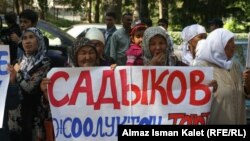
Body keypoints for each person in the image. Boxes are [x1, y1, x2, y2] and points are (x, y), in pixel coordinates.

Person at [193, 28, 250, 124]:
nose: (233, 45)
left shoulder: (234, 65)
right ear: (217, 44)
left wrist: (248, 84)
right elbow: (193, 100)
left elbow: (242, 92)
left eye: (233, 41)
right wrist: (206, 91)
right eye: (229, 41)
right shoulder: (201, 67)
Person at [7, 27, 52, 140]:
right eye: (24, 38)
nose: (27, 41)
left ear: (39, 40)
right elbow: (12, 84)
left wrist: (16, 74)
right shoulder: (18, 62)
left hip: (34, 115)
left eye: (31, 37)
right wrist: (12, 79)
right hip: (16, 115)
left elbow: (30, 88)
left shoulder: (44, 62)